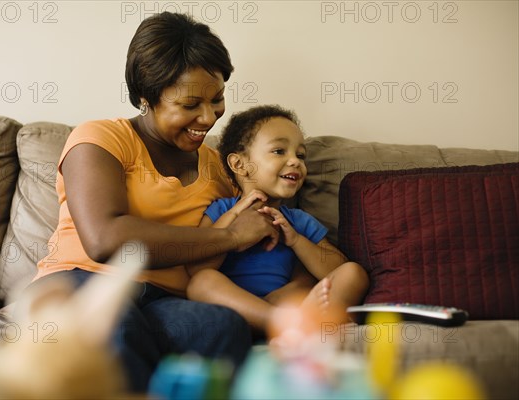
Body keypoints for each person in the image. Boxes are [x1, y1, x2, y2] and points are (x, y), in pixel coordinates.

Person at [31, 13, 281, 393]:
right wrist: (230, 237)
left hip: (164, 299)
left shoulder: (218, 166)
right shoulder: (99, 139)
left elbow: (256, 232)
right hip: (83, 280)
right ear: (145, 98)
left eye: (217, 99)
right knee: (115, 325)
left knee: (220, 327)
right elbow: (106, 240)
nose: (208, 116)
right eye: (190, 104)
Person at [185, 105, 370, 332]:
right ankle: (284, 323)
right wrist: (235, 214)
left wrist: (296, 241)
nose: (295, 161)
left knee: (353, 273)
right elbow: (197, 266)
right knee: (202, 281)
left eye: (300, 155)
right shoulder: (221, 209)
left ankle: (293, 323)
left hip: (284, 301)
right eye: (279, 151)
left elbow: (337, 267)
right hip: (234, 309)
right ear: (239, 164)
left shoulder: (298, 221)